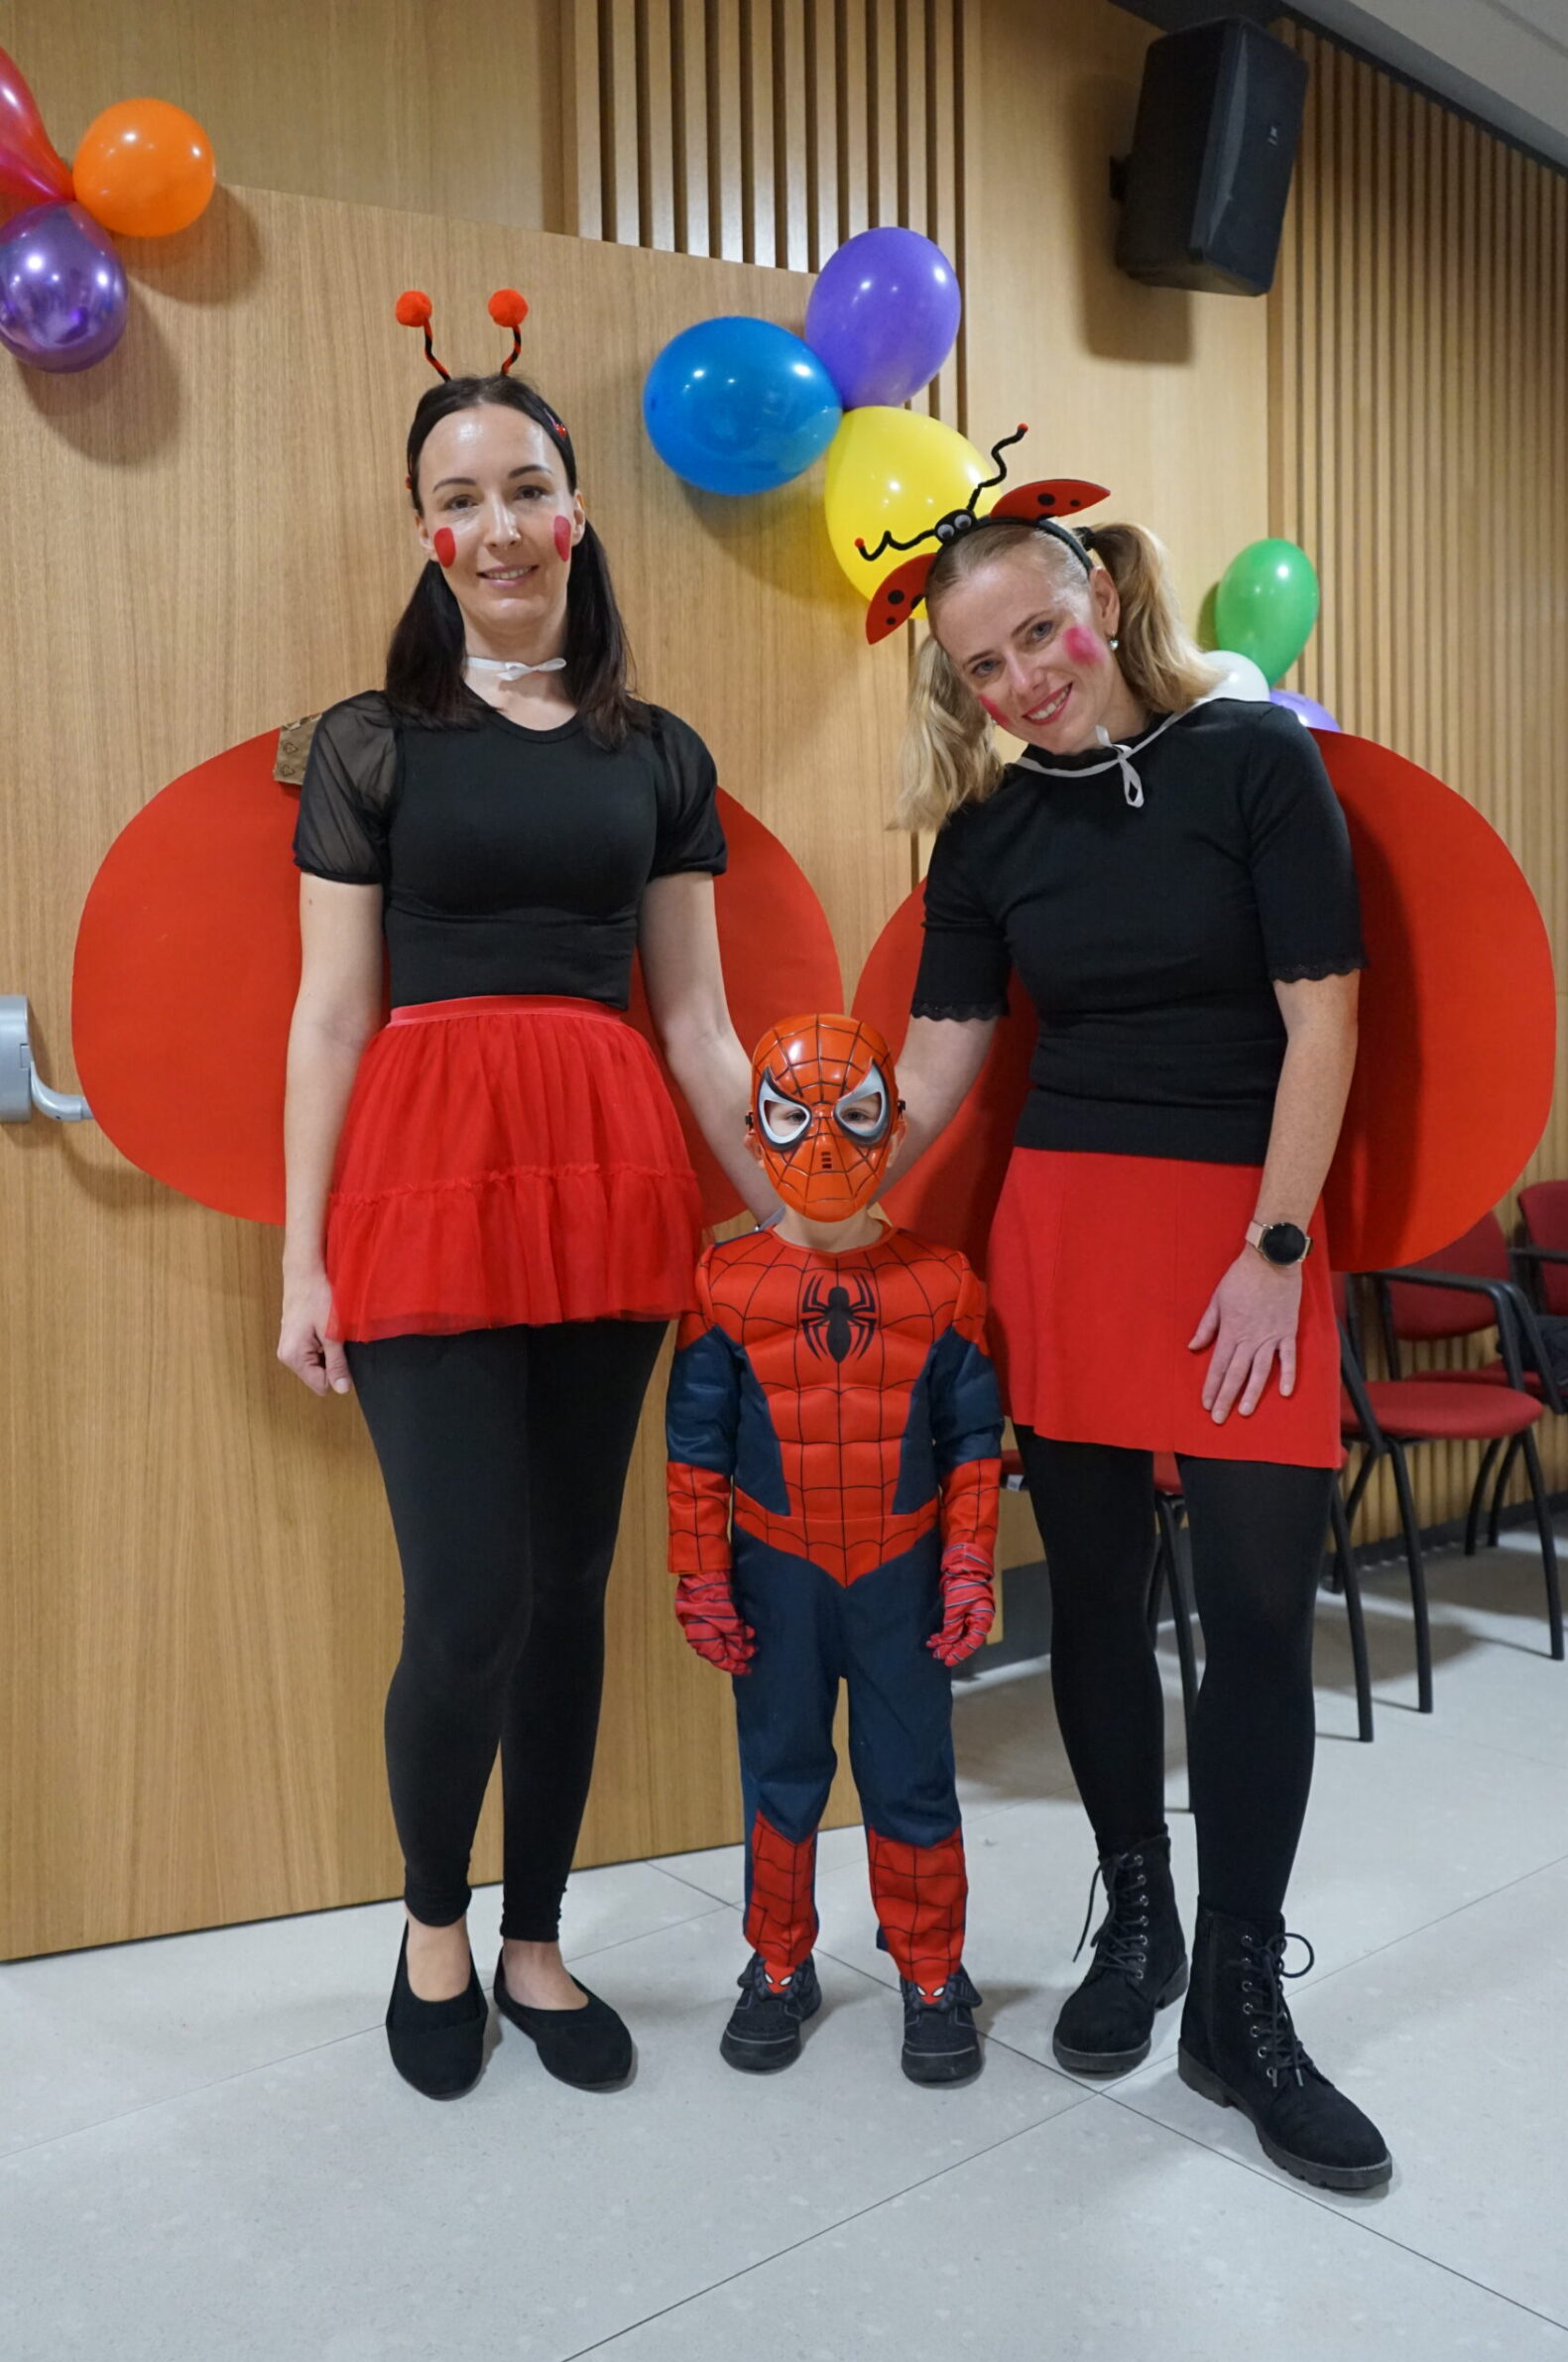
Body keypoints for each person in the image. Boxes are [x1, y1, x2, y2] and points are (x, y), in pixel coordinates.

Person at [879, 450, 1391, 2190]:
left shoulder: (1252, 760)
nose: (1025, 679)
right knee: (1094, 1601)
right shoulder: (988, 836)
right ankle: (1141, 1921)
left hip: (1248, 1226)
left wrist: (1274, 1246)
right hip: (1069, 1232)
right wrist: (808, 1185)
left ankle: (1241, 2005)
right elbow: (938, 1065)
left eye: (1041, 633)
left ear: (1096, 596)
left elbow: (1324, 1021)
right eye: (986, 666)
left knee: (1254, 1618)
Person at [278, 292, 768, 2101]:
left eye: (524, 489)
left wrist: (798, 1209)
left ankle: (540, 1940)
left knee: (571, 1587)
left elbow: (698, 1021)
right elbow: (331, 1016)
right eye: (458, 497)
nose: (496, 525)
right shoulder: (368, 741)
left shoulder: (660, 751)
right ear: (427, 532)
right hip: (423, 1180)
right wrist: (300, 1261)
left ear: (574, 513)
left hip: (610, 1181)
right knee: (467, 1598)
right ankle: (432, 1924)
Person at [665, 1014, 1005, 2084]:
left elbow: (974, 1446)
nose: (824, 1145)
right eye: (792, 1118)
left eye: (854, 1116)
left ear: (893, 1127)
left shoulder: (944, 1282)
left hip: (902, 1576)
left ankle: (931, 1971)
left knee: (913, 1778)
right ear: (754, 1133)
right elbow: (693, 1451)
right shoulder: (722, 1285)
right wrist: (700, 1575)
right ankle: (777, 1963)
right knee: (781, 1774)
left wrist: (967, 1565)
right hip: (776, 1575)